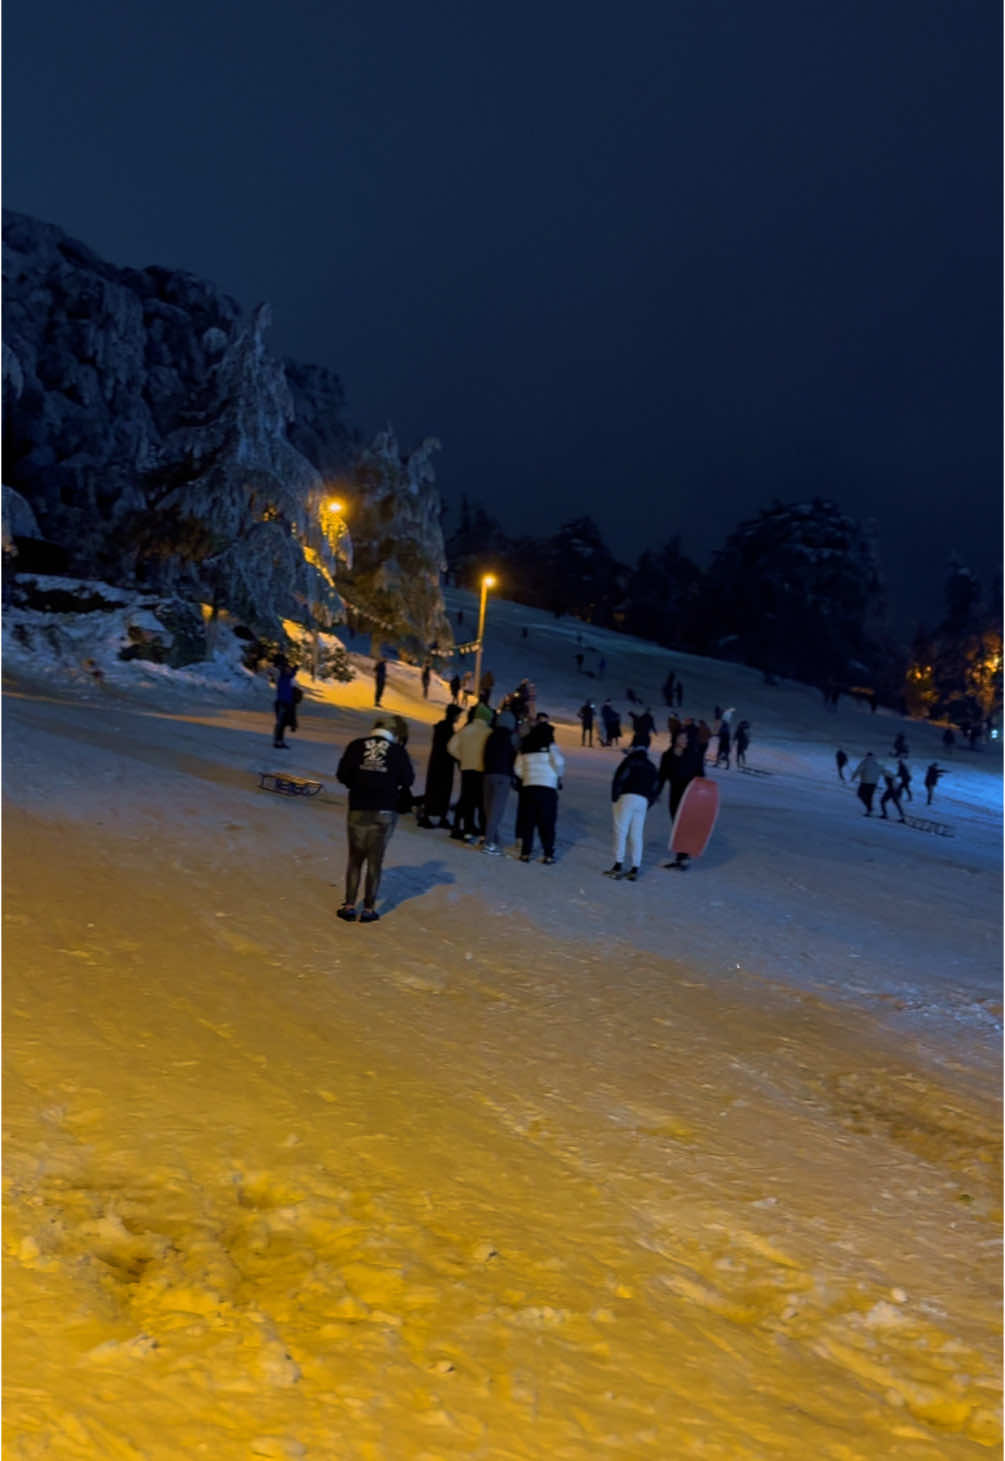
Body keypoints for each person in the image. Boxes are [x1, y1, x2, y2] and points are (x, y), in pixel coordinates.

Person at [336, 715, 415, 923]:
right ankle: (369, 909)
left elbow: (343, 774)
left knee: (355, 858)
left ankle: (350, 905)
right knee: (375, 860)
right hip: (385, 810)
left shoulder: (356, 746)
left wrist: (358, 783)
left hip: (359, 806)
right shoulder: (398, 751)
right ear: (394, 733)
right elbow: (408, 780)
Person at [513, 719, 565, 863]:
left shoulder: (526, 746)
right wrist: (557, 777)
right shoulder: (551, 746)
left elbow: (517, 768)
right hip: (547, 789)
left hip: (529, 788)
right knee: (547, 822)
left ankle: (525, 853)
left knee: (528, 822)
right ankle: (548, 854)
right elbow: (559, 763)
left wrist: (527, 777)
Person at [605, 743, 660, 880]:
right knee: (636, 834)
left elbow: (619, 778)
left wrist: (614, 798)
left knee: (621, 831)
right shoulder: (652, 767)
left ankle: (618, 865)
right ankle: (635, 868)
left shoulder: (630, 761)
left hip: (627, 797)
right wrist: (648, 804)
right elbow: (656, 788)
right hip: (643, 801)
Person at [657, 727, 703, 869]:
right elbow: (662, 776)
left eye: (686, 738)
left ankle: (683, 857)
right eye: (681, 738)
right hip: (675, 794)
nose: (684, 740)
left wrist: (702, 794)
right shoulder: (667, 756)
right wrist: (657, 792)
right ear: (675, 739)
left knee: (685, 825)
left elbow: (701, 774)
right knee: (677, 825)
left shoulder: (693, 754)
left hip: (690, 795)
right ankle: (682, 855)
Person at [447, 702, 492, 840]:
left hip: (467, 769)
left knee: (467, 800)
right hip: (481, 770)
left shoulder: (466, 730)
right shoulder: (489, 732)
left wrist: (463, 757)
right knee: (481, 801)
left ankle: (467, 831)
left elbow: (451, 747)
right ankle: (483, 832)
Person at [418, 703, 463, 827]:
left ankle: (429, 814)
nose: (459, 718)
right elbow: (450, 748)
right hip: (445, 764)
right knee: (443, 789)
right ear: (453, 715)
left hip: (436, 762)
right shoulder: (448, 729)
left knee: (433, 788)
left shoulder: (441, 726)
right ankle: (439, 815)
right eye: (458, 715)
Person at [481, 707, 518, 854]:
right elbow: (515, 757)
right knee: (496, 810)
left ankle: (492, 838)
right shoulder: (512, 737)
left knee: (488, 808)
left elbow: (485, 754)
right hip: (503, 776)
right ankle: (489, 843)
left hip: (488, 774)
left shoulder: (491, 735)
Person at [272, 655, 299, 749]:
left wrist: (294, 670)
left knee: (282, 723)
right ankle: (277, 742)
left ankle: (279, 741)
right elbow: (288, 673)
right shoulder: (280, 672)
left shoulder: (284, 673)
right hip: (282, 701)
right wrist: (294, 669)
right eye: (285, 663)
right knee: (280, 723)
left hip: (286, 700)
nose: (288, 667)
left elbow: (290, 674)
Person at [850, 752, 884, 816]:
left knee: (860, 794)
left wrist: (853, 777)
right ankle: (869, 810)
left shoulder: (865, 762)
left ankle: (869, 808)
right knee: (870, 797)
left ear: (867, 756)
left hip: (865, 782)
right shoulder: (876, 763)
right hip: (873, 784)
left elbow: (858, 770)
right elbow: (882, 771)